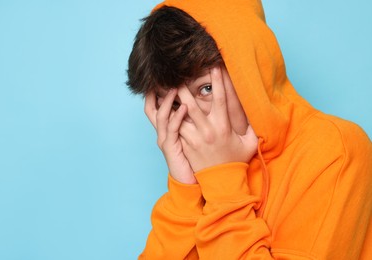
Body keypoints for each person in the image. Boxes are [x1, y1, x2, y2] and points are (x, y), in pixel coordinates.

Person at [126, 0, 372, 259]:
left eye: (206, 89)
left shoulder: (335, 151)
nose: (192, 118)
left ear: (249, 74)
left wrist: (223, 185)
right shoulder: (196, 170)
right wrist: (184, 191)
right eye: (174, 103)